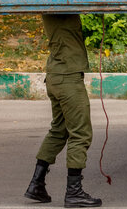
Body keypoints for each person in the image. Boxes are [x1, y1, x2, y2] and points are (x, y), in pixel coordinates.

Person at [25, 14, 102, 208]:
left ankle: (36, 184)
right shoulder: (61, 4)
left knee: (59, 131)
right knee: (81, 134)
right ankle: (74, 192)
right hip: (68, 78)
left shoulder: (50, 6)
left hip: (56, 75)